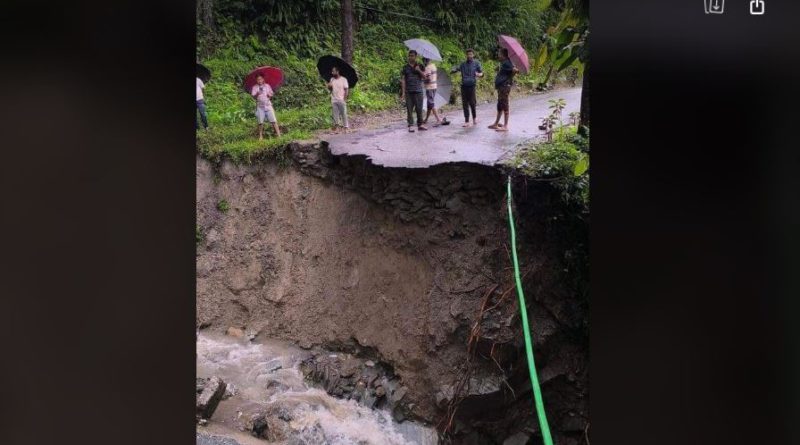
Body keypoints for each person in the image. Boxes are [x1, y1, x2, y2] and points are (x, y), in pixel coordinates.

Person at [450, 48, 483, 127]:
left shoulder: (476, 63)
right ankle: (467, 121)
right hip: (464, 86)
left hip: (472, 86)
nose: (469, 56)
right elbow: (456, 68)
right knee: (465, 104)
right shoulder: (463, 64)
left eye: (471, 54)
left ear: (473, 55)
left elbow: (481, 73)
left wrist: (479, 74)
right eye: (468, 54)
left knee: (472, 103)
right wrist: (453, 69)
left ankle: (474, 118)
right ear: (466, 55)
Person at [489, 47, 519, 132]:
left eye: (499, 54)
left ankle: (505, 126)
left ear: (503, 55)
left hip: (504, 86)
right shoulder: (504, 63)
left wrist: (514, 71)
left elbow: (515, 70)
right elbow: (508, 72)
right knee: (500, 105)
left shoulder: (507, 63)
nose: (498, 55)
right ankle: (496, 123)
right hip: (501, 86)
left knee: (504, 104)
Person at [399, 50, 428, 132]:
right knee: (409, 109)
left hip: (418, 91)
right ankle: (411, 125)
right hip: (409, 91)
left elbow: (425, 77)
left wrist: (419, 70)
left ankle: (420, 124)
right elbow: (403, 80)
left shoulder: (420, 66)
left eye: (412, 56)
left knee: (419, 109)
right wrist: (403, 92)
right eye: (410, 55)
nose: (411, 57)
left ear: (416, 57)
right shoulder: (405, 67)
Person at [250, 74, 281, 140]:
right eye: (258, 79)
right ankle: (260, 136)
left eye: (261, 79)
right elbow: (253, 96)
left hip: (268, 105)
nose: (259, 81)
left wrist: (269, 95)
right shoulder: (255, 87)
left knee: (273, 120)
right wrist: (257, 93)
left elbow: (271, 94)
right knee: (260, 122)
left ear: (263, 79)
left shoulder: (267, 86)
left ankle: (278, 135)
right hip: (260, 106)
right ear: (256, 80)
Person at [327, 66, 350, 133]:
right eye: (332, 71)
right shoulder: (332, 79)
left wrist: (344, 99)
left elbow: (346, 90)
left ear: (337, 72)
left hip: (341, 99)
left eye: (333, 71)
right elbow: (330, 89)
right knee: (335, 115)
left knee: (344, 114)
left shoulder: (344, 79)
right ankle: (337, 128)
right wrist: (329, 86)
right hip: (334, 99)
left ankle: (346, 128)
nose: (332, 72)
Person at [422, 57, 442, 127]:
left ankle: (438, 119)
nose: (423, 61)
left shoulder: (427, 68)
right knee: (429, 104)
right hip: (434, 86)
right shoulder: (433, 66)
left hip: (429, 87)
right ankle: (426, 119)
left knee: (431, 103)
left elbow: (428, 79)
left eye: (424, 60)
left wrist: (423, 80)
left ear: (426, 60)